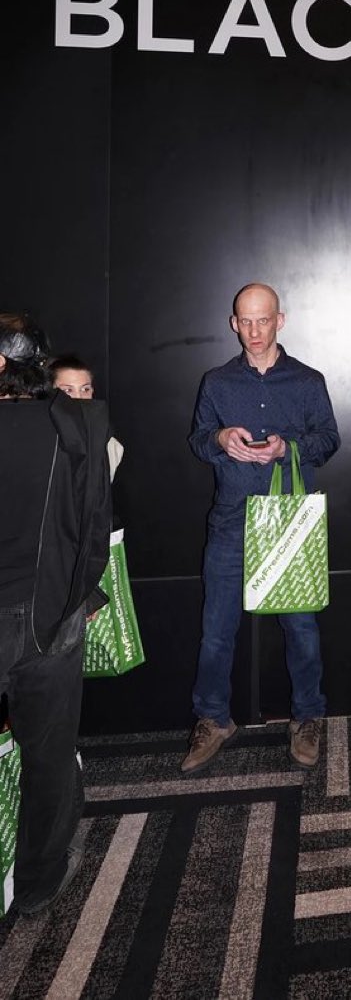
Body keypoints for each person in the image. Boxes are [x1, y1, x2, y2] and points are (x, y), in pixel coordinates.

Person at [183, 283, 340, 774]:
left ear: (280, 320)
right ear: (234, 323)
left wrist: (286, 448)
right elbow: (197, 440)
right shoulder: (216, 381)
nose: (254, 331)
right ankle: (214, 719)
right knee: (215, 632)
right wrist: (220, 438)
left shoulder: (308, 381)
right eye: (245, 321)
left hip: (289, 521)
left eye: (263, 320)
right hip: (232, 519)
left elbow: (329, 440)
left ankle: (308, 716)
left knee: (301, 629)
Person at [0, 317, 111, 915]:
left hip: (40, 612)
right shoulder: (82, 424)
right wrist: (79, 598)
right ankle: (38, 882)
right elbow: (94, 527)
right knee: (48, 755)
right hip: (52, 615)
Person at [50, 354, 124, 479]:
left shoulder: (110, 445)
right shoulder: (44, 438)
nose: (78, 397)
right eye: (68, 390)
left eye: (85, 389)